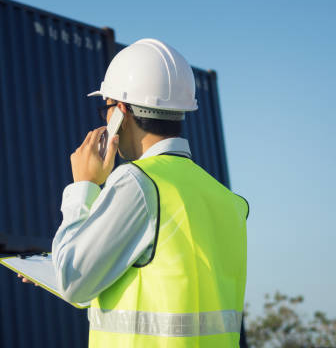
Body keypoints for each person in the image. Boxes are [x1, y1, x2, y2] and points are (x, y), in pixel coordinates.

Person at [21, 39, 248, 347]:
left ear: (121, 112)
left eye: (107, 108)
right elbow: (166, 290)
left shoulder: (138, 183)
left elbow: (73, 281)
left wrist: (83, 186)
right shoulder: (228, 201)